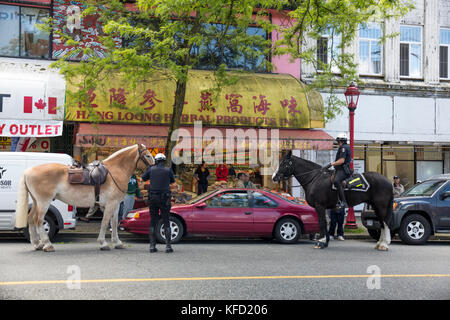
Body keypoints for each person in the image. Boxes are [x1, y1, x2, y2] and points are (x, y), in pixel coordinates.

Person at [142, 153, 176, 253]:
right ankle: (168, 246)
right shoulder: (168, 170)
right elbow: (172, 182)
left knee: (153, 221)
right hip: (165, 198)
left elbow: (143, 179)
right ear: (164, 161)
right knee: (166, 221)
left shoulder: (151, 169)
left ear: (156, 160)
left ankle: (152, 246)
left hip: (153, 198)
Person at [328, 133, 352, 209]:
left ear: (340, 141)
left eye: (338, 141)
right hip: (339, 169)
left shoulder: (343, 148)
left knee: (336, 181)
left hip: (343, 170)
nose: (338, 142)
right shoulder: (343, 147)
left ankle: (344, 202)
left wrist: (332, 164)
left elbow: (341, 160)